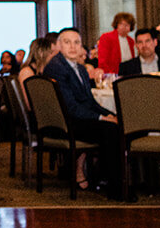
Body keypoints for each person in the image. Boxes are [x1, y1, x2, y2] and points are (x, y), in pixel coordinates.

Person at [44, 27, 120, 192]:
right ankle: (114, 186)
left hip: (78, 119)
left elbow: (90, 102)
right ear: (59, 46)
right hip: (65, 123)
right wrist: (101, 119)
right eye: (67, 42)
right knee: (110, 130)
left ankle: (106, 177)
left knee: (120, 122)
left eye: (76, 42)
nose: (72, 47)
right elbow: (70, 107)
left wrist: (108, 114)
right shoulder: (56, 67)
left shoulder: (79, 68)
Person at [96, 13, 136, 77]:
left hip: (129, 73)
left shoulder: (131, 41)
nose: (123, 27)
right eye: (121, 24)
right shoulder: (106, 37)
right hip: (113, 74)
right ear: (116, 25)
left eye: (127, 25)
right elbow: (102, 60)